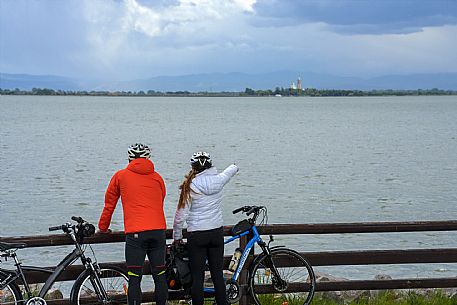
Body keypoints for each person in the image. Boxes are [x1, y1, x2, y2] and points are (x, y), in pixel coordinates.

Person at [98, 143, 168, 305]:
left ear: (130, 158)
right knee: (160, 276)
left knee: (135, 278)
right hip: (158, 232)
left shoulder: (120, 176)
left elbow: (109, 204)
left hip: (136, 234)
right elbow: (161, 199)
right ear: (148, 158)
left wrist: (103, 227)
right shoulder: (157, 177)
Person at [173, 152, 238, 305]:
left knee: (197, 277)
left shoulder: (190, 186)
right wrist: (235, 165)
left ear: (193, 167)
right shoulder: (219, 180)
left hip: (197, 235)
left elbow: (180, 216)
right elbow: (230, 171)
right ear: (210, 165)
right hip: (216, 233)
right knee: (217, 275)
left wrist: (177, 237)